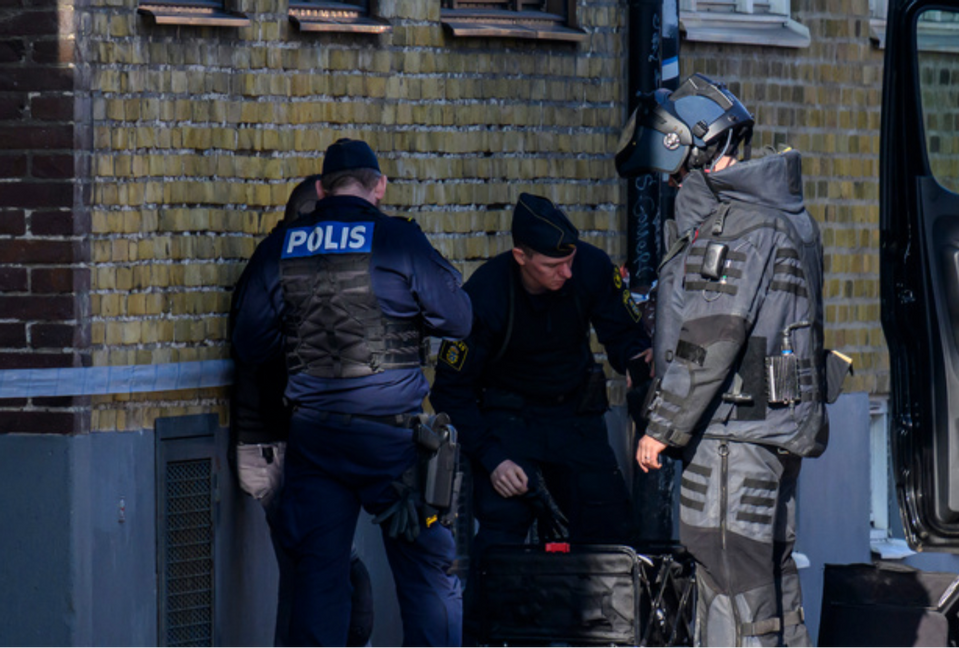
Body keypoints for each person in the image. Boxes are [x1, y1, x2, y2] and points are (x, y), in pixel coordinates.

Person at [615, 73, 831, 648]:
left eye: (675, 168)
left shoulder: (735, 226)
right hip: (772, 431)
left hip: (734, 436)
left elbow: (714, 336)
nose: (671, 180)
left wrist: (659, 427)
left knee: (728, 580)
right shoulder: (785, 215)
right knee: (770, 585)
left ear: (693, 149)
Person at [231, 138, 473, 648]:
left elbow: (250, 344)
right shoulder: (397, 241)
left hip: (315, 438)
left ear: (321, 189)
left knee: (318, 584)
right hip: (392, 443)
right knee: (428, 579)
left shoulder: (282, 246)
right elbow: (458, 318)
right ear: (378, 186)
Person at [428, 192, 652, 638]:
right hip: (509, 425)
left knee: (610, 532)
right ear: (520, 256)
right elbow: (451, 391)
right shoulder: (485, 295)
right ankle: (487, 637)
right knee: (502, 542)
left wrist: (638, 365)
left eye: (569, 261)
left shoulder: (588, 267)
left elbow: (623, 336)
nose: (566, 273)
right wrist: (492, 459)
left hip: (576, 418)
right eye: (553, 266)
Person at [229, 175, 374, 648]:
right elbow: (260, 350)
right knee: (313, 579)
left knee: (322, 578)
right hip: (276, 448)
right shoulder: (279, 264)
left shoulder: (285, 264)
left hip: (288, 445)